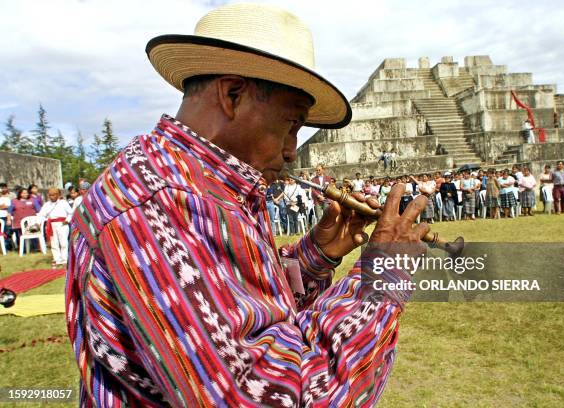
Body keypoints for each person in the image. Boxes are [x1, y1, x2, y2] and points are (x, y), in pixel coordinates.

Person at [65, 4, 430, 406]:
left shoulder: (194, 184)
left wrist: (316, 256)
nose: (292, 152)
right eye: (291, 124)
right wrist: (382, 273)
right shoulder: (162, 200)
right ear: (233, 94)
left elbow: (246, 314)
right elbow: (263, 396)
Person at [37, 188, 72, 267]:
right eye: (50, 195)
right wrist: (38, 223)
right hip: (51, 224)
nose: (51, 197)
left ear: (58, 195)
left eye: (53, 195)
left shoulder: (63, 203)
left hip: (62, 224)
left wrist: (67, 220)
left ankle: (64, 259)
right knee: (54, 243)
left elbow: (71, 213)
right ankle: (57, 259)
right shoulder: (47, 204)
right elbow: (41, 214)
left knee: (63, 242)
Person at [0, 183, 13, 250]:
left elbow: (9, 208)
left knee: (7, 232)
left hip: (5, 217)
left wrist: (8, 219)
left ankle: (7, 247)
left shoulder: (8, 198)